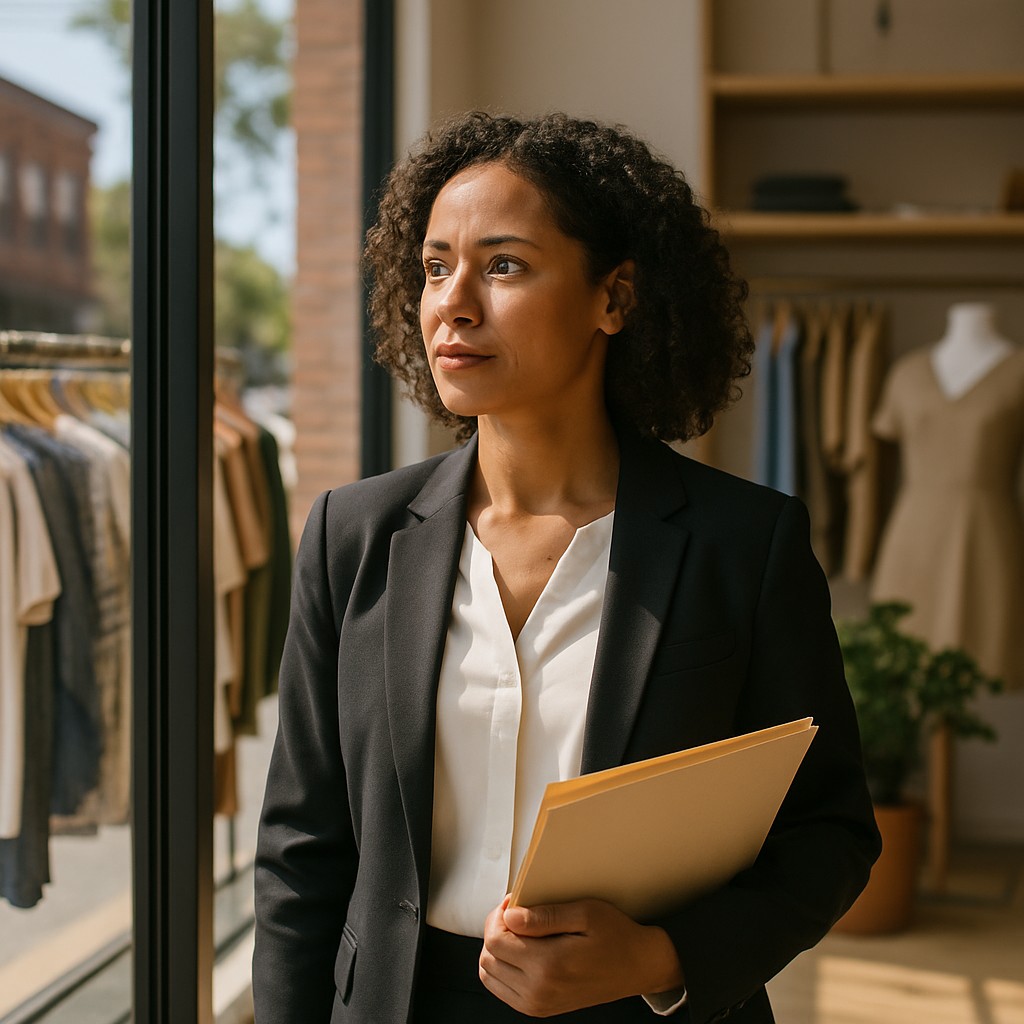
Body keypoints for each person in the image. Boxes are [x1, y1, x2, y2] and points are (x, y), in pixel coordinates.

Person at [253, 111, 880, 1024]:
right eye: (434, 268)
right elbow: (302, 849)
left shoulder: (743, 543)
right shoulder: (353, 536)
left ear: (614, 299)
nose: (454, 303)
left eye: (502, 265)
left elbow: (830, 832)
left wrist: (662, 957)